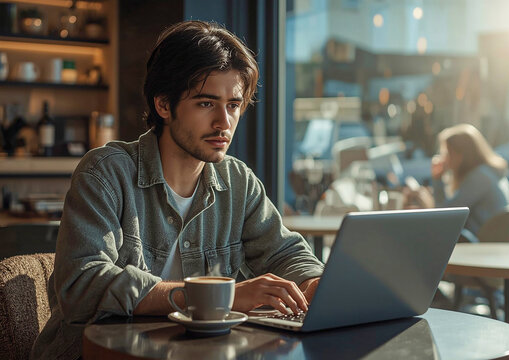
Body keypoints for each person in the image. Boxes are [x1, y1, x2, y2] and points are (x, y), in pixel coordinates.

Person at [31, 20, 323, 359]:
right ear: (164, 105)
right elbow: (82, 286)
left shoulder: (238, 181)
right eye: (205, 103)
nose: (224, 122)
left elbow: (285, 253)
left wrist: (315, 284)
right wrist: (217, 297)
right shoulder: (105, 173)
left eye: (233, 105)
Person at [404, 123, 509, 234]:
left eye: (447, 154)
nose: (444, 159)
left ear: (460, 155)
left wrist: (436, 180)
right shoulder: (487, 173)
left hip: (481, 244)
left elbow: (445, 217)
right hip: (489, 241)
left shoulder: (480, 178)